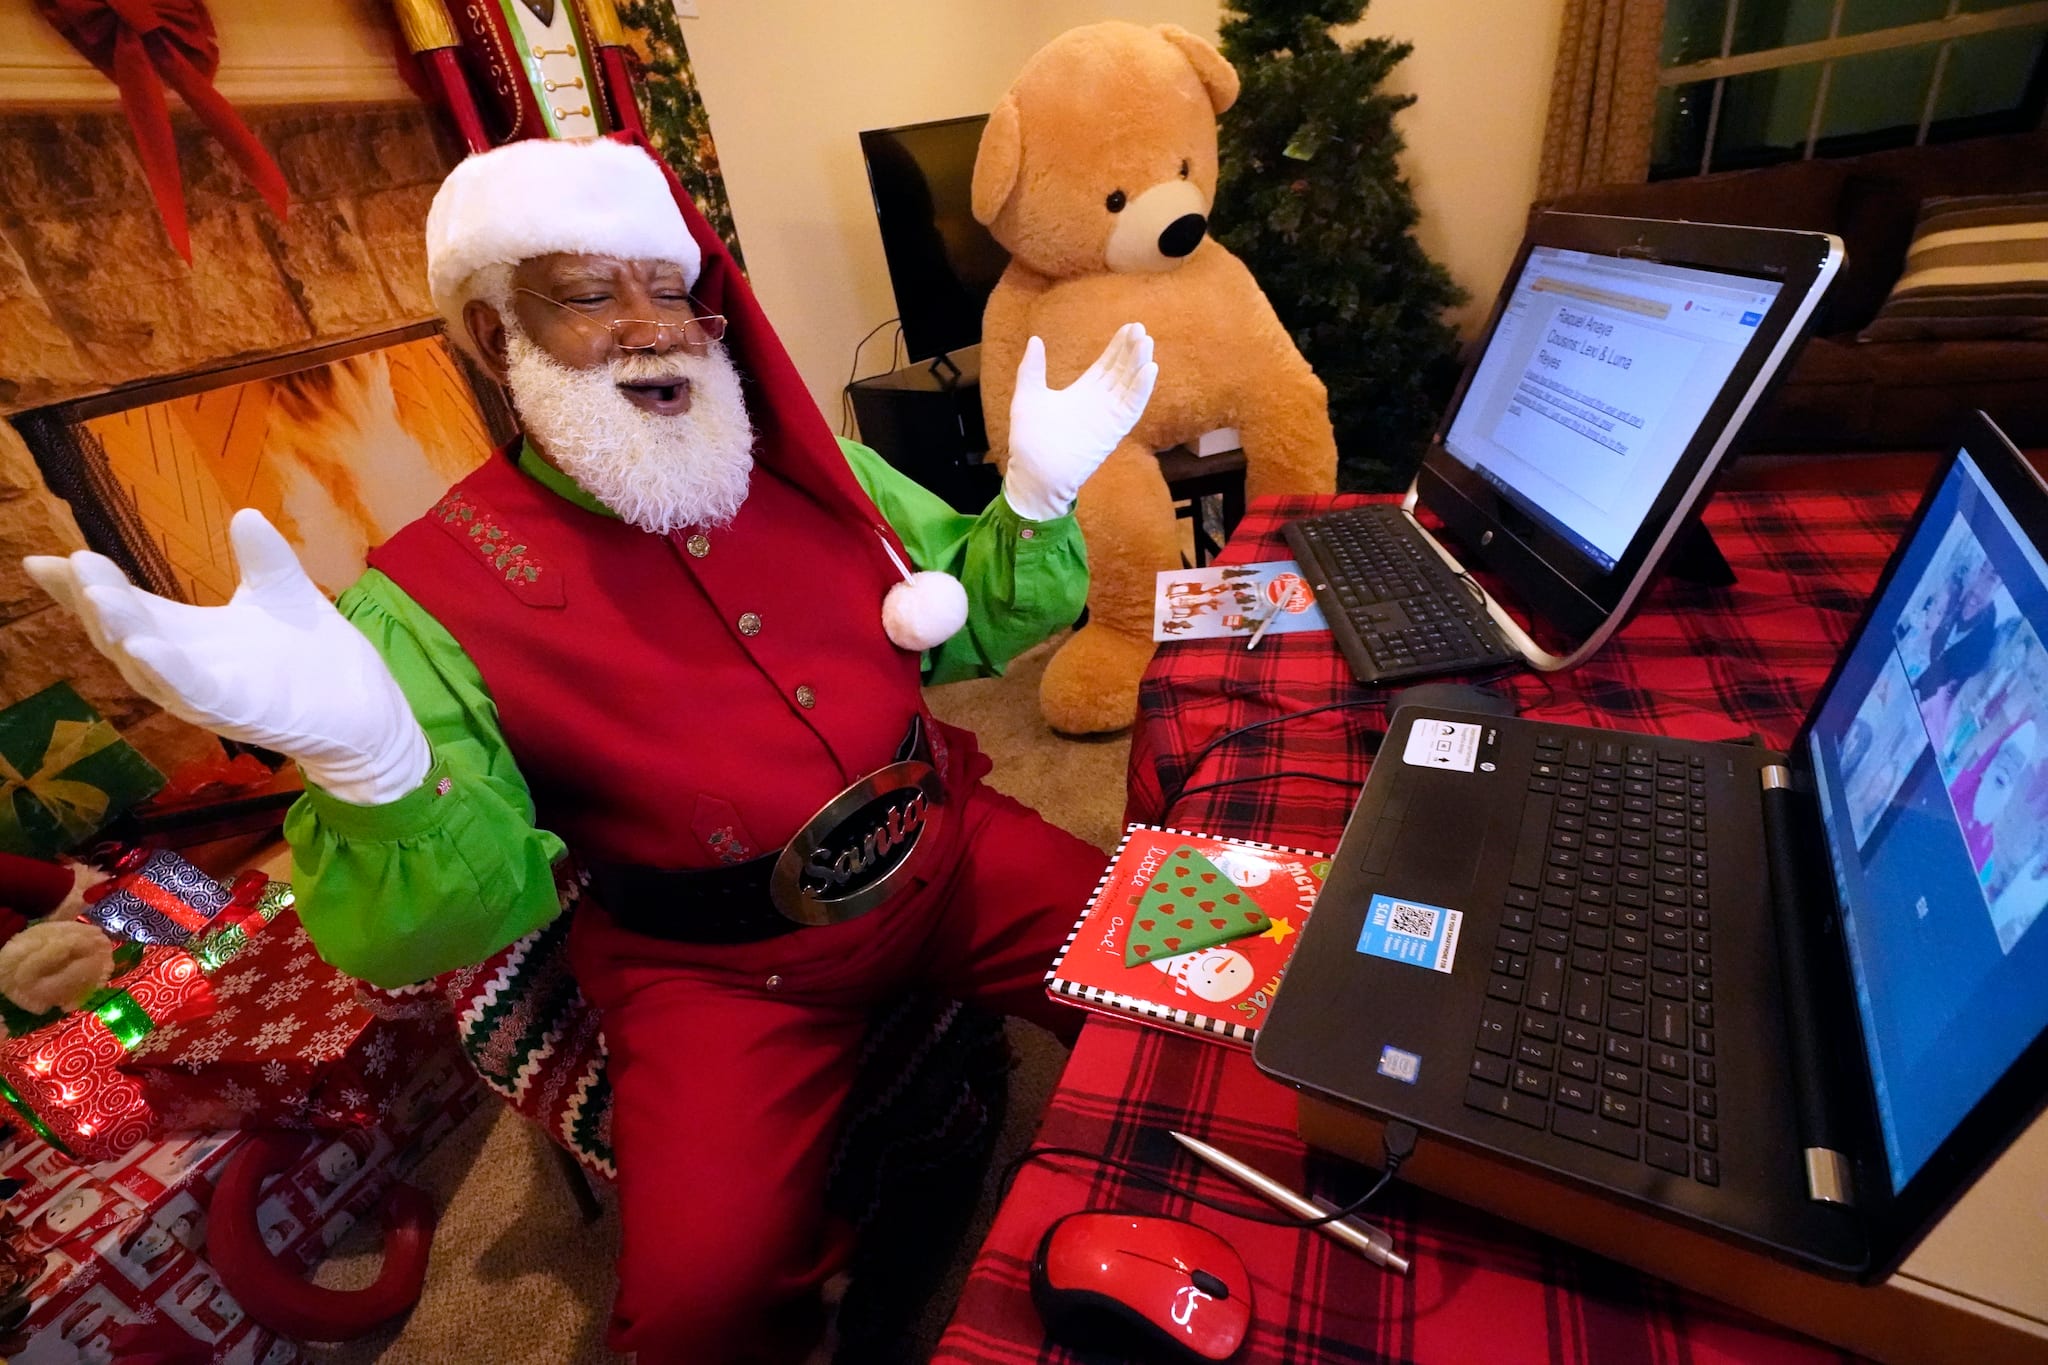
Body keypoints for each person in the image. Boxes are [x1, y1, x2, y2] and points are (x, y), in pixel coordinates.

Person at [26, 135, 1157, 1364]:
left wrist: (1033, 502)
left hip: (951, 852)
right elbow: (422, 939)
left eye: (667, 289)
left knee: (1186, 979)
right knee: (694, 1308)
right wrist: (376, 773)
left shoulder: (806, 471)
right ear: (486, 333)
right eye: (587, 295)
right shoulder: (425, 597)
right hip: (726, 975)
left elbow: (968, 624)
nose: (651, 326)